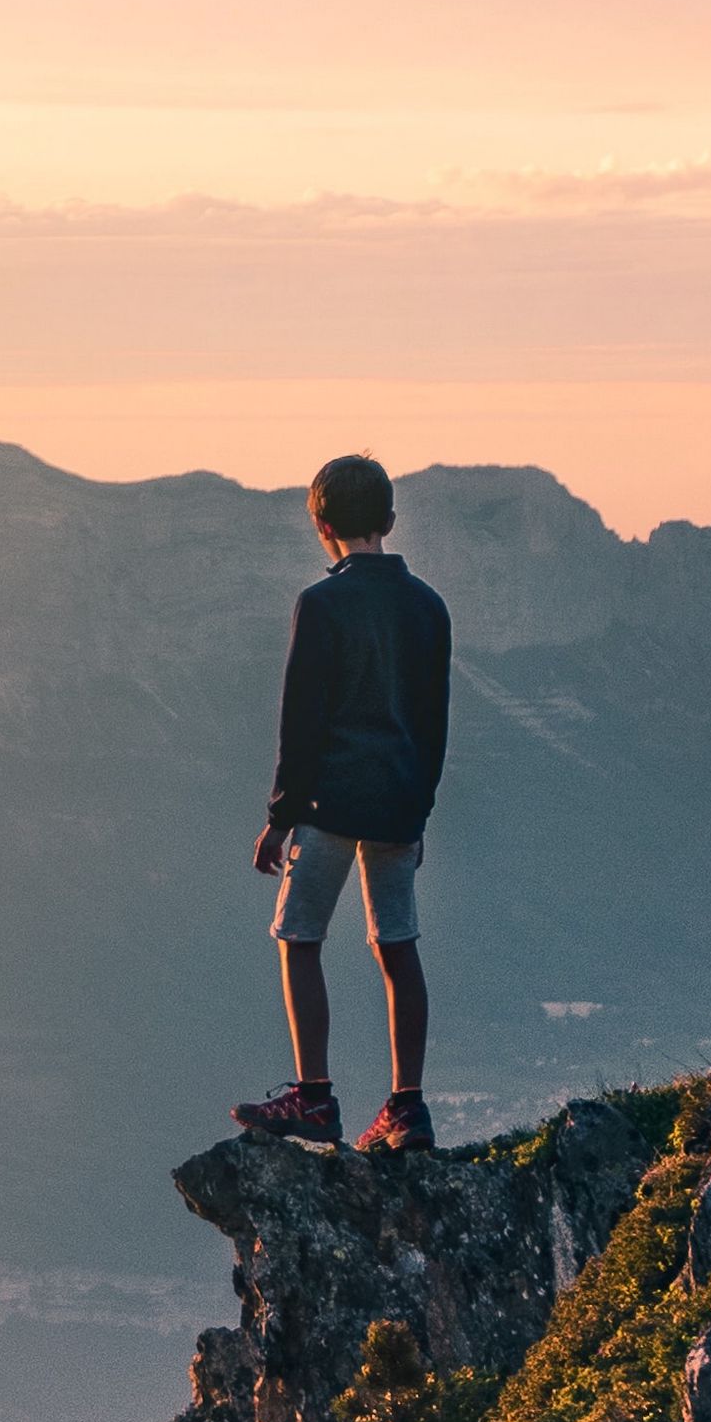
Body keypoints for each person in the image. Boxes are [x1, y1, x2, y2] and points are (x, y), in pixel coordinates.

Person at [231, 455, 451, 1153]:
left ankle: (314, 1097)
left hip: (329, 801)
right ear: (388, 521)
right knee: (397, 945)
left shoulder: (320, 604)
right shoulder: (427, 606)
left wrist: (280, 816)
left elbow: (302, 719)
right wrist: (419, 813)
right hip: (396, 802)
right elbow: (432, 722)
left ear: (322, 526)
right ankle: (408, 1105)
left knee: (299, 938)